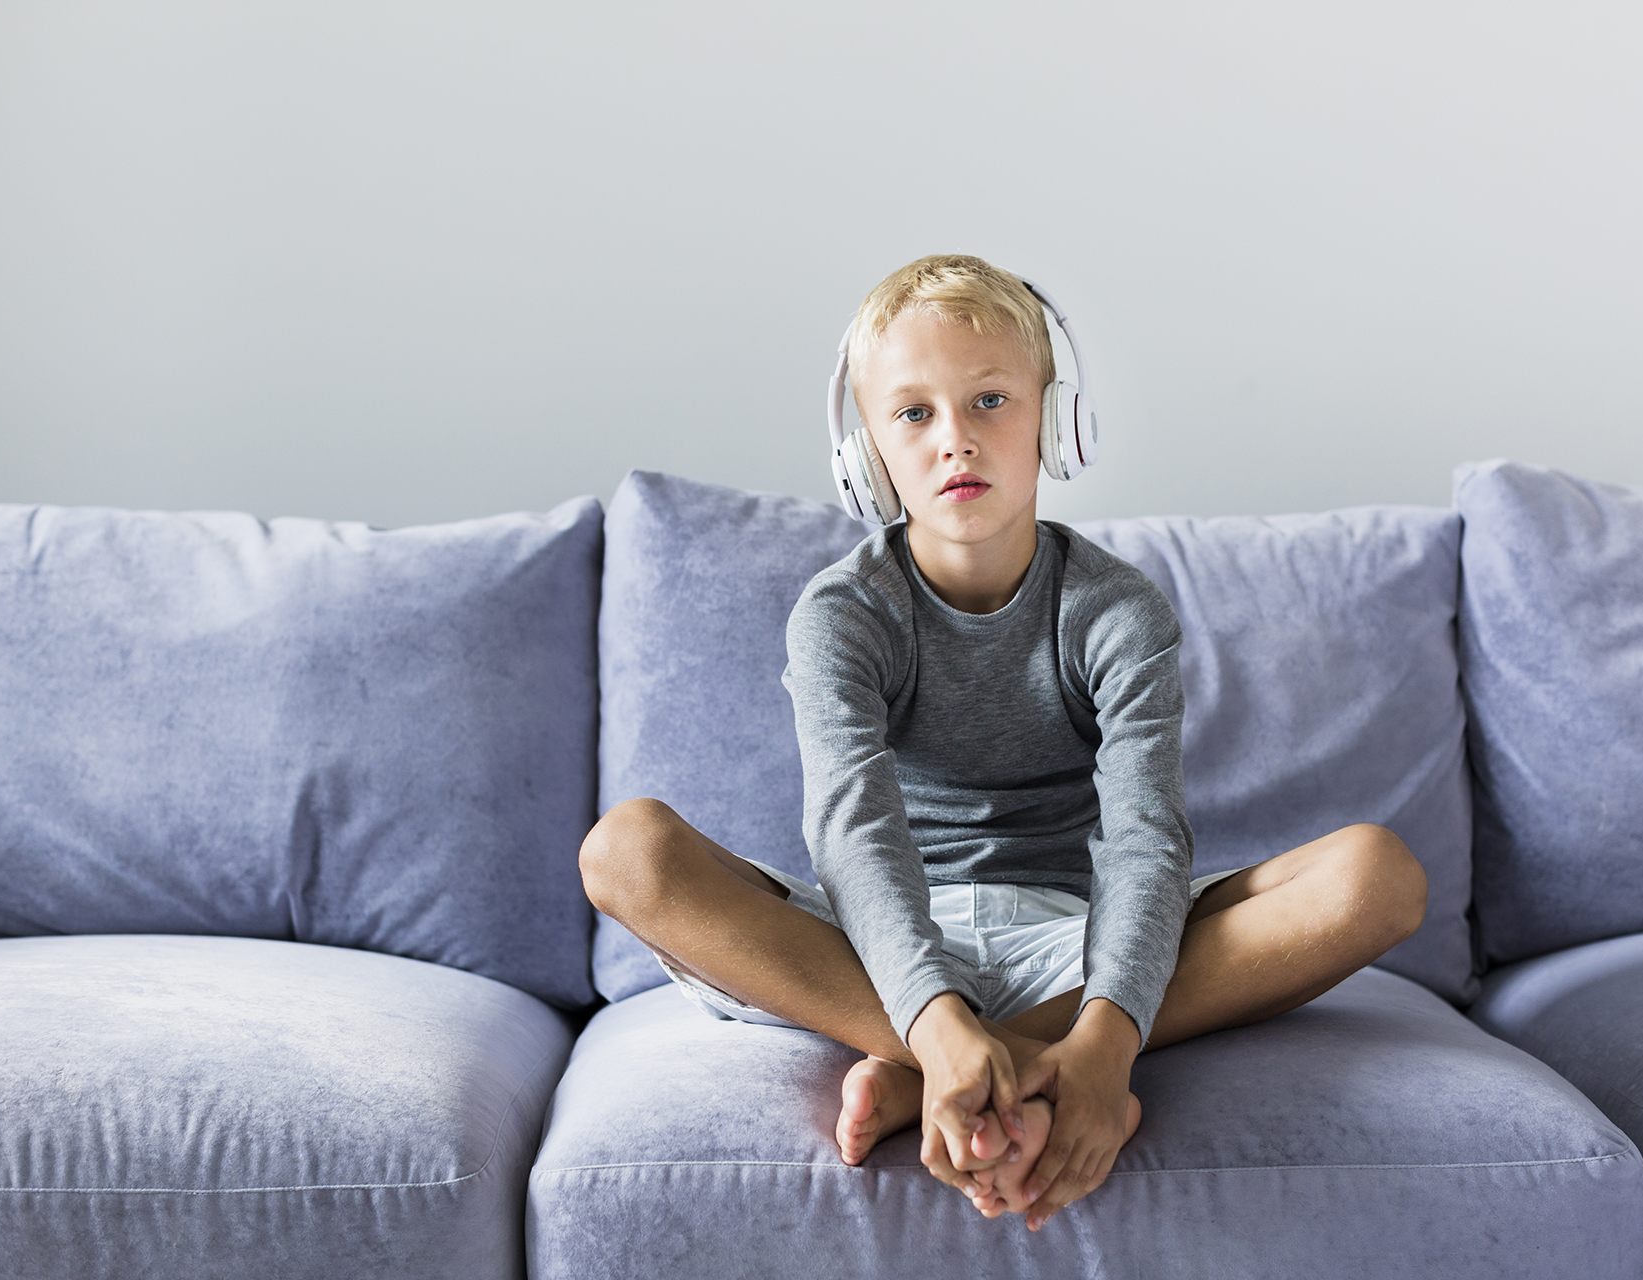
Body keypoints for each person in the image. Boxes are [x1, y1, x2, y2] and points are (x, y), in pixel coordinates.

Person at [577, 254, 1428, 1231]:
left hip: (1076, 934)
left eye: (990, 399)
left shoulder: (1116, 609)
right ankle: (956, 1055)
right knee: (626, 848)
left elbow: (1147, 841)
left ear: (1056, 423)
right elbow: (854, 835)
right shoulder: (844, 613)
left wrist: (1108, 1042)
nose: (957, 442)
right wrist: (936, 1022)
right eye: (914, 414)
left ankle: (992, 1059)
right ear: (864, 453)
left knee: (1377, 873)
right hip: (873, 942)